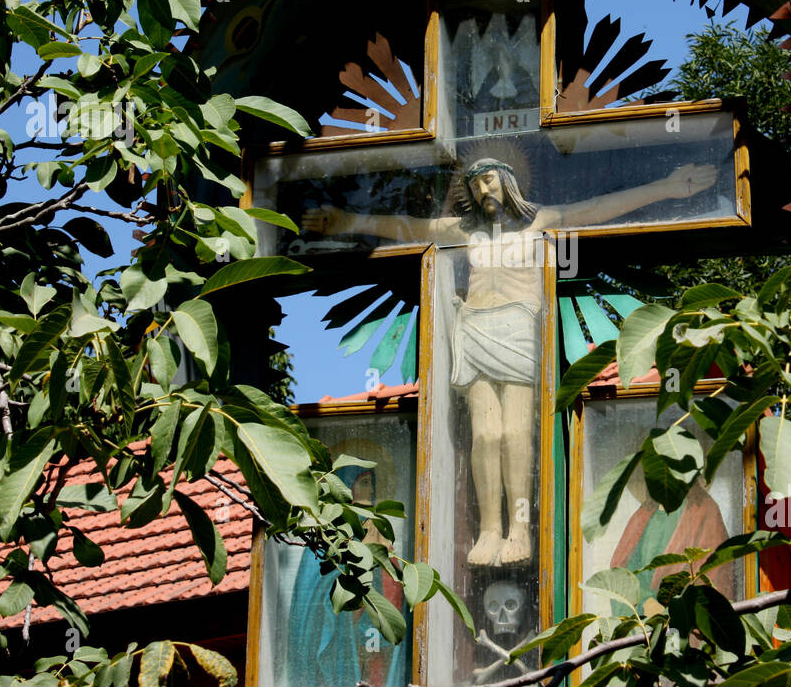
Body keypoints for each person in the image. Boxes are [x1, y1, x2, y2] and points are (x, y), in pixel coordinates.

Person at [302, 156, 717, 567]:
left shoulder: (539, 222)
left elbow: (596, 210)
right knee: (485, 436)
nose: (483, 191)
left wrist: (667, 186)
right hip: (475, 329)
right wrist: (346, 219)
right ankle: (489, 529)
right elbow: (411, 228)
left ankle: (519, 529)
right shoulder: (465, 232)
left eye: (489, 181)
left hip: (520, 330)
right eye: (475, 185)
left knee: (516, 432)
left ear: (508, 182)